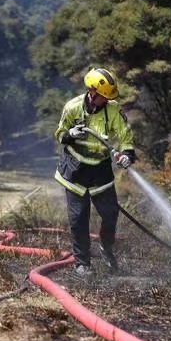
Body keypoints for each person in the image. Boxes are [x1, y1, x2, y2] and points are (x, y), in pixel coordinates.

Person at [54, 68, 136, 277]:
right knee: (79, 217)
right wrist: (70, 134)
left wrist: (127, 153)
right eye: (104, 97)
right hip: (76, 170)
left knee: (110, 214)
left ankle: (106, 248)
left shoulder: (113, 110)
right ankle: (83, 264)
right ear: (92, 92)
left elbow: (125, 135)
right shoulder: (72, 107)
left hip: (100, 170)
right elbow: (60, 134)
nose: (106, 101)